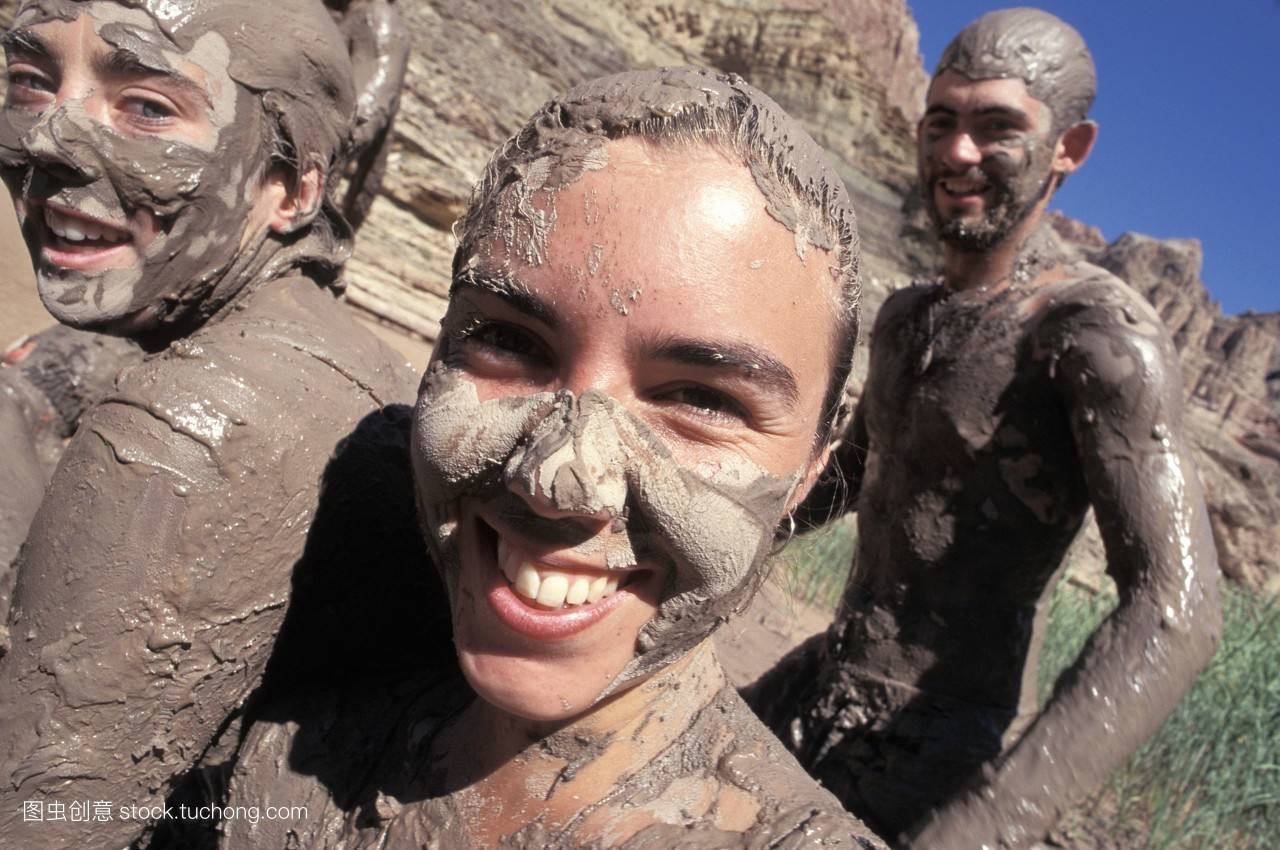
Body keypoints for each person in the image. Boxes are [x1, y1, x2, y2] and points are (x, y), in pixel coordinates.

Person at [216, 67, 888, 849]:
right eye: (508, 342)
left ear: (809, 470)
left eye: (701, 400)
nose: (557, 480)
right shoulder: (293, 741)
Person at [745, 9, 1222, 849]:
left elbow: (1176, 611)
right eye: (941, 122)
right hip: (817, 682)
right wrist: (701, 549)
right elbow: (854, 474)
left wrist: (987, 824)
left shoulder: (1096, 337)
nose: (958, 152)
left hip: (947, 748)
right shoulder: (904, 317)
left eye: (997, 127)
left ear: (1069, 149)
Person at [0, 2, 431, 847]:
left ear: (296, 188)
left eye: (147, 107)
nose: (50, 136)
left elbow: (45, 819)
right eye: (29, 82)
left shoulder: (184, 438)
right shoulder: (339, 357)